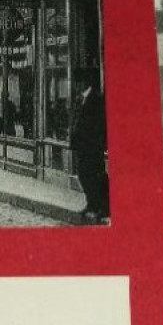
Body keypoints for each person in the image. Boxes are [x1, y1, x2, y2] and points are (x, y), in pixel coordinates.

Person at [69, 68, 109, 223]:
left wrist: (98, 145)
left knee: (95, 177)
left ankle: (102, 208)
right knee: (84, 176)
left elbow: (100, 125)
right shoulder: (81, 99)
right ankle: (91, 204)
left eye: (77, 82)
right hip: (82, 147)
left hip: (92, 147)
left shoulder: (96, 99)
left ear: (84, 82)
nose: (75, 86)